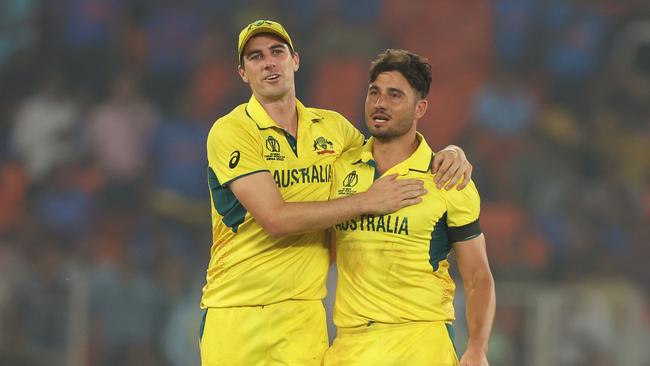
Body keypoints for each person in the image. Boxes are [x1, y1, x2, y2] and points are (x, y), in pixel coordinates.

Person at [200, 20, 474, 365]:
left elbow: (392, 152)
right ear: (242, 72)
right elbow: (275, 218)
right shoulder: (231, 131)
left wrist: (450, 153)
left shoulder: (333, 128)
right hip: (236, 311)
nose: (269, 62)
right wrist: (365, 202)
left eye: (277, 52)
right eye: (255, 57)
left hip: (304, 317)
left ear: (295, 60)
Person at [325, 49, 495, 366]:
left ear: (421, 108)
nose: (380, 103)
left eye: (394, 95)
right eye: (374, 92)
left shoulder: (446, 179)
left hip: (421, 345)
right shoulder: (339, 169)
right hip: (350, 347)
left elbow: (478, 276)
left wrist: (477, 348)